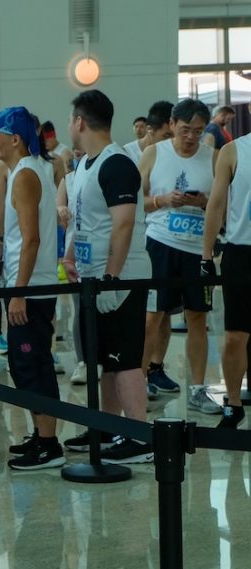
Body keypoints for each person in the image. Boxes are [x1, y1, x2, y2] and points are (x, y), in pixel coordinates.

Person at [62, 89, 152, 463]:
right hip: (92, 277)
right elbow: (83, 219)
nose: (70, 125)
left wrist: (112, 276)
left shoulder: (118, 163)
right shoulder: (85, 165)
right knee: (106, 358)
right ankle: (108, 426)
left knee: (125, 358)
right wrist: (69, 256)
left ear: (80, 121)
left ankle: (140, 435)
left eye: (71, 119)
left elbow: (123, 223)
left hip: (121, 277)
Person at [0, 107, 64, 470]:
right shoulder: (28, 170)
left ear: (14, 138)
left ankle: (49, 442)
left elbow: (32, 239)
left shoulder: (26, 175)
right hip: (27, 284)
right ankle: (40, 432)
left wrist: (18, 291)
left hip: (31, 288)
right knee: (23, 365)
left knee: (34, 364)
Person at [139, 98, 220, 414]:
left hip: (197, 248)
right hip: (159, 243)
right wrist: (161, 200)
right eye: (186, 129)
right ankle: (141, 380)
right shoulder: (154, 154)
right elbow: (133, 202)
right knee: (151, 318)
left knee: (198, 318)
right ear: (172, 124)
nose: (191, 137)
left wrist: (204, 202)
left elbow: (221, 205)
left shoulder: (212, 157)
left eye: (198, 131)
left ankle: (198, 390)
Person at [122, 100, 174, 398]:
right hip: (138, 244)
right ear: (149, 131)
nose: (174, 142)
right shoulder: (128, 155)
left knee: (165, 310)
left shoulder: (174, 155)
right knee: (146, 314)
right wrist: (161, 201)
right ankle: (136, 374)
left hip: (167, 242)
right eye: (167, 135)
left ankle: (156, 367)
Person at [202, 126, 251, 427]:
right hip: (242, 251)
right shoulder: (235, 152)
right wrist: (206, 255)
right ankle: (233, 403)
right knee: (236, 334)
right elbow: (216, 204)